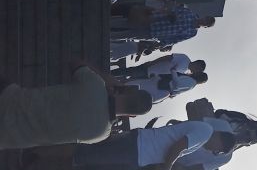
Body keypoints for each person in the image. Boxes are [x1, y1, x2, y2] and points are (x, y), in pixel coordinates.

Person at [24, 121, 236, 170]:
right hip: (137, 147)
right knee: (84, 153)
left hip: (137, 157)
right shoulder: (204, 132)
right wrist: (167, 168)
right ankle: (35, 154)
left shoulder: (202, 140)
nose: (213, 151)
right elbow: (177, 147)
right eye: (217, 149)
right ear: (220, 139)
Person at [0, 62, 152, 150]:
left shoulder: (96, 85)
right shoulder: (101, 134)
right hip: (8, 137)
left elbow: (76, 63)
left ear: (127, 90)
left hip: (8, 99)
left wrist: (109, 80)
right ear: (131, 115)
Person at [111, 3, 215, 48]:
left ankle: (108, 36)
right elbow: (171, 9)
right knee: (126, 22)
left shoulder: (192, 33)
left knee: (129, 35)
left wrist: (162, 44)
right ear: (204, 16)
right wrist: (170, 14)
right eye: (206, 19)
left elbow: (177, 39)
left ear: (205, 27)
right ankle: (107, 23)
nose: (204, 21)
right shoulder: (189, 12)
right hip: (153, 19)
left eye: (207, 23)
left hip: (155, 33)